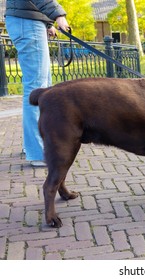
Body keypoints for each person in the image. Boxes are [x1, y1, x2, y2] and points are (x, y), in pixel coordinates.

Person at [5, 0, 70, 167]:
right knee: (37, 89)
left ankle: (34, 146)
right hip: (28, 23)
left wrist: (48, 23)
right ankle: (37, 152)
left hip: (29, 21)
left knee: (43, 90)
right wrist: (58, 15)